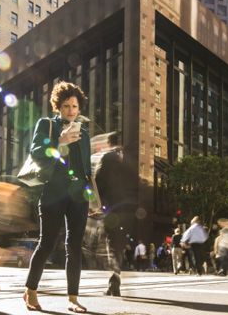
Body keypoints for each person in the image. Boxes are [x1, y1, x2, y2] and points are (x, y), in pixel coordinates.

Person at [23, 81, 92, 313]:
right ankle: (30, 290)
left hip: (78, 196)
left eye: (74, 106)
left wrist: (90, 196)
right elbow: (36, 151)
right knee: (47, 243)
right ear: (57, 107)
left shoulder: (84, 133)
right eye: (66, 106)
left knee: (74, 246)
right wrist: (59, 141)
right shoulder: (46, 125)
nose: (71, 111)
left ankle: (73, 299)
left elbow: (85, 169)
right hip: (53, 192)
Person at [88, 131, 138, 296]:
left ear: (109, 143)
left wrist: (97, 205)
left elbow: (98, 181)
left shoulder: (107, 158)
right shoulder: (129, 159)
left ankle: (113, 283)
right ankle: (114, 282)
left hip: (111, 209)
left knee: (110, 245)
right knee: (118, 246)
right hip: (128, 211)